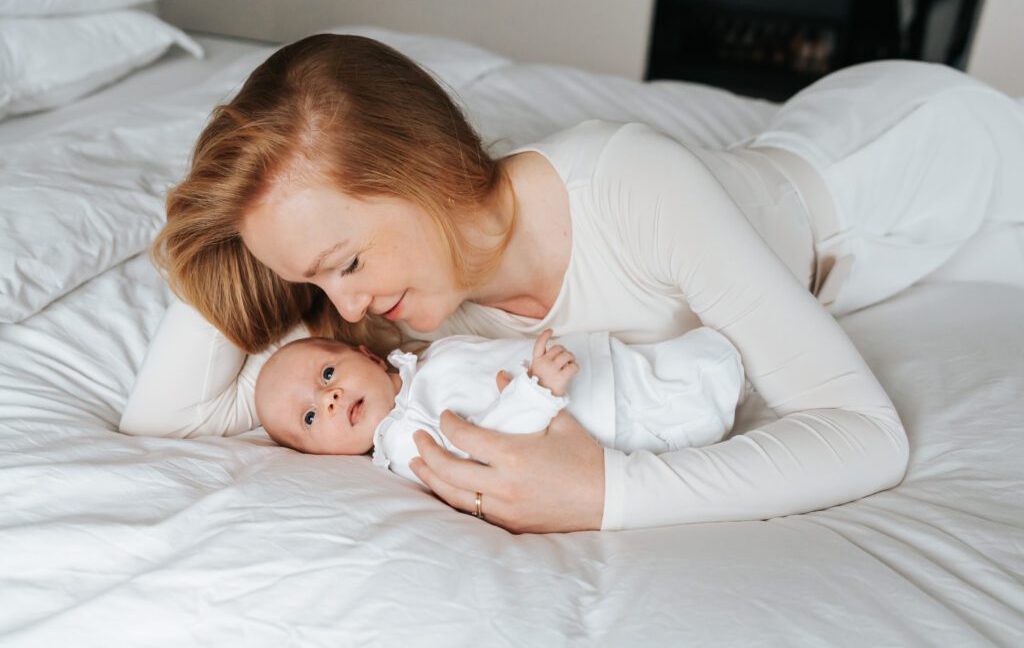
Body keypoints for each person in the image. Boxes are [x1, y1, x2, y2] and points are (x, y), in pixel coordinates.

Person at [120, 33, 1024, 533]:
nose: (345, 312)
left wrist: (606, 493)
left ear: (428, 166)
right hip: (786, 166)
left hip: (910, 163)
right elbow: (167, 420)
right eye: (321, 282)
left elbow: (865, 435)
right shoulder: (398, 316)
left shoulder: (631, 186)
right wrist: (244, 232)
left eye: (348, 263)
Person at [254, 328, 747, 490]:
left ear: (365, 355)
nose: (330, 399)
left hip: (606, 364)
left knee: (722, 353)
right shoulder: (404, 442)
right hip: (608, 416)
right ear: (322, 455)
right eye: (312, 418)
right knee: (710, 400)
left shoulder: (426, 358)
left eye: (326, 376)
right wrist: (535, 392)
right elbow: (480, 456)